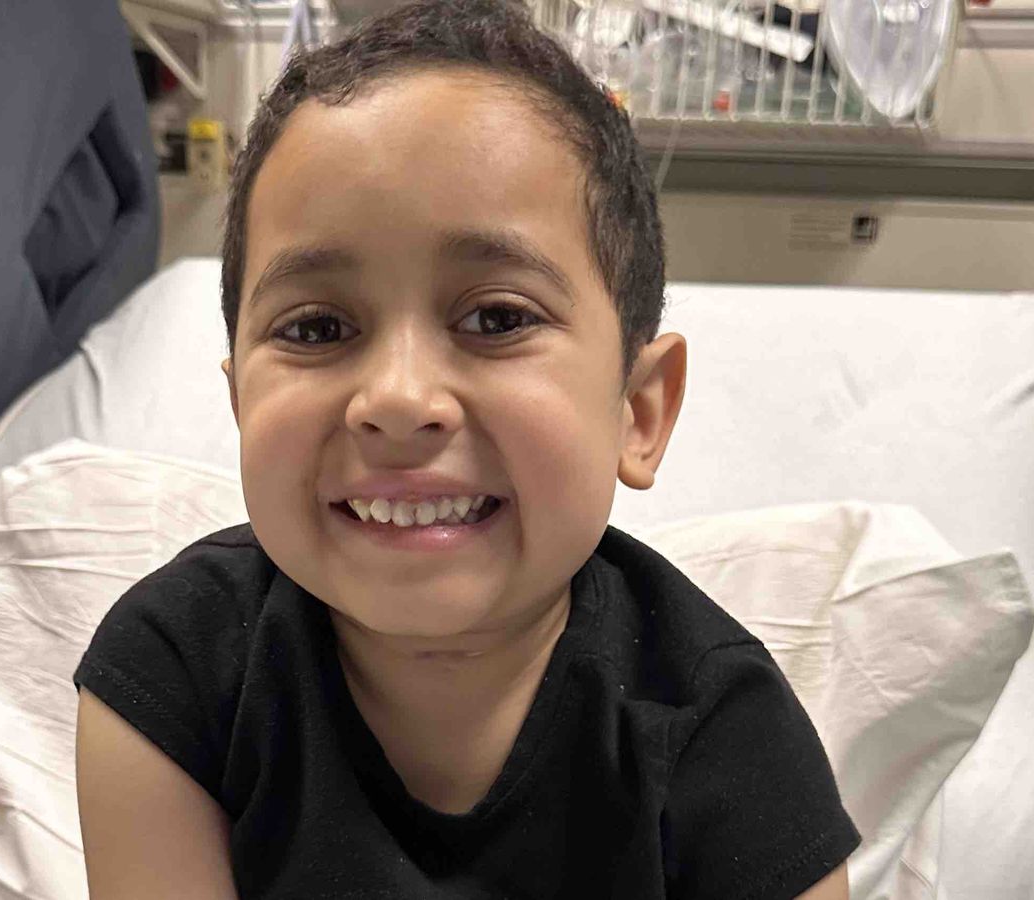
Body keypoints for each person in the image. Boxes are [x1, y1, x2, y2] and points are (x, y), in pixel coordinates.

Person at [74, 0, 860, 896]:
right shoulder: (174, 677)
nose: (399, 399)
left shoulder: (730, 745)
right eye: (318, 327)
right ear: (242, 404)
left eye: (496, 318)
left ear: (637, 413)